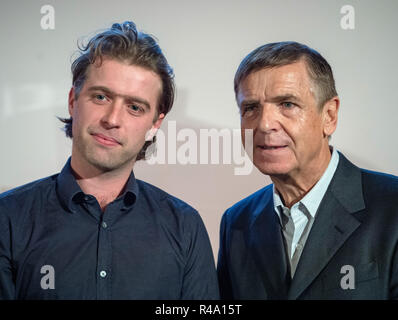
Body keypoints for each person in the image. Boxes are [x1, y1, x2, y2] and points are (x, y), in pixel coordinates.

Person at [0, 21, 219, 300]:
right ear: (72, 100)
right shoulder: (8, 218)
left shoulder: (185, 226)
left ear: (154, 124)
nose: (112, 119)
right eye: (101, 96)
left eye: (134, 107)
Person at [217, 41, 398, 300]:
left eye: (287, 104)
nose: (265, 124)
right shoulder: (236, 222)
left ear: (329, 116)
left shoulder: (392, 206)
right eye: (251, 108)